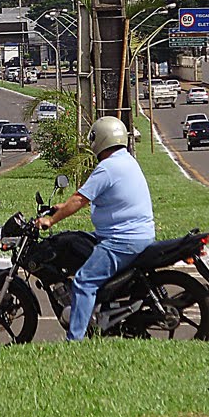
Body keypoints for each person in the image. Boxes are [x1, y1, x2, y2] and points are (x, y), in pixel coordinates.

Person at [36, 116, 156, 341]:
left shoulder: (108, 168)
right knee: (76, 243)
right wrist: (62, 207)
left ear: (100, 139)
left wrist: (50, 221)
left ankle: (75, 339)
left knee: (84, 281)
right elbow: (101, 196)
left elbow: (79, 199)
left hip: (122, 239)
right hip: (130, 234)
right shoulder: (126, 161)